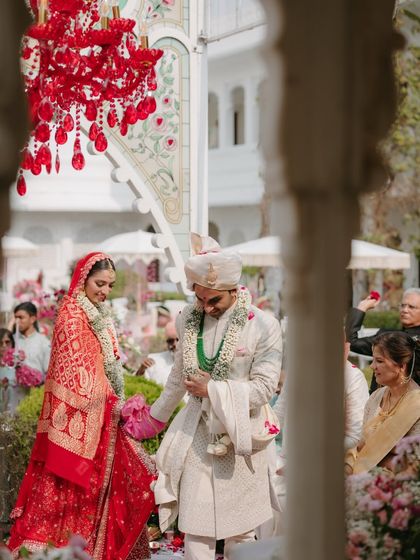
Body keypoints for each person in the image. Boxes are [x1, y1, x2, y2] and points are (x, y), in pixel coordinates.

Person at [8, 252, 155, 559]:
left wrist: (120, 389)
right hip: (78, 420)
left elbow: (104, 363)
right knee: (65, 493)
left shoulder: (98, 315)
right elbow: (75, 371)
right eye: (99, 283)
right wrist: (114, 403)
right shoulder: (71, 316)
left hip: (100, 421)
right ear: (84, 279)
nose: (104, 291)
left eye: (110, 286)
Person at [149, 233, 283, 560]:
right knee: (196, 526)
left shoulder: (263, 325)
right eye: (200, 299)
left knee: (241, 529)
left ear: (234, 291)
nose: (206, 308)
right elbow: (178, 377)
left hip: (243, 437)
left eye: (215, 301)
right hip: (197, 432)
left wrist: (212, 389)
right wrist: (153, 420)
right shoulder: (187, 319)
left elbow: (265, 388)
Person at [345, 331, 420, 475]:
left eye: (379, 361)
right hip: (360, 477)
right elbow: (359, 446)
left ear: (401, 366)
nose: (372, 366)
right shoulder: (376, 397)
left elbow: (414, 464)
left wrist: (374, 459)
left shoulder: (416, 405)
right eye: (373, 360)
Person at [13, 302, 51, 376]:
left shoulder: (44, 343)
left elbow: (48, 372)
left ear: (32, 319)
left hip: (37, 387)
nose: (17, 321)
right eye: (16, 318)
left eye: (21, 317)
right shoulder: (11, 340)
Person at [136, 321, 179, 386]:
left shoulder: (197, 360)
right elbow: (138, 384)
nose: (175, 344)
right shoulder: (154, 360)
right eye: (170, 341)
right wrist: (141, 371)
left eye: (178, 340)